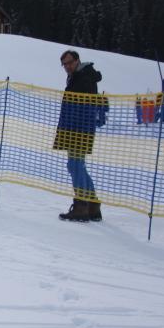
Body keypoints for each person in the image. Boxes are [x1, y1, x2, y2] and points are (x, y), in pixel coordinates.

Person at [54, 50, 105, 222]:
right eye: (64, 64)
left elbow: (81, 105)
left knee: (75, 165)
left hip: (79, 129)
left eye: (69, 63)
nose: (67, 66)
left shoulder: (84, 77)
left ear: (77, 60)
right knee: (76, 165)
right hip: (74, 127)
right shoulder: (78, 76)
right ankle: (93, 205)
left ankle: (81, 206)